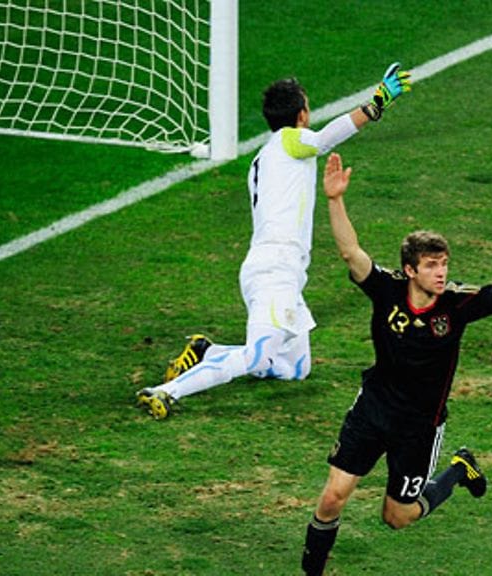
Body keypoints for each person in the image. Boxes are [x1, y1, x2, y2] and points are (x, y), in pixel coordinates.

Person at [301, 153, 492, 575]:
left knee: (396, 517)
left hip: (418, 426)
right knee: (331, 498)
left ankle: (458, 469)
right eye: (432, 266)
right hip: (373, 408)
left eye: (444, 264)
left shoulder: (457, 305)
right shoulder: (386, 290)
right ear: (409, 270)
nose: (441, 273)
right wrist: (334, 199)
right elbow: (350, 252)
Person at [136, 63, 413, 419]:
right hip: (275, 270)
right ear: (302, 114)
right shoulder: (289, 140)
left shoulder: (265, 156)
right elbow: (325, 138)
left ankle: (207, 352)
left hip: (281, 270)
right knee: (257, 356)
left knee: (295, 369)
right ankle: (165, 392)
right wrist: (375, 105)